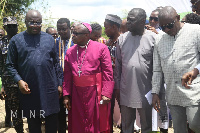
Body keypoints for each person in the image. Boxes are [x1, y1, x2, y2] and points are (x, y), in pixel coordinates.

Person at [6, 10, 63, 133]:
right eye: (32, 22)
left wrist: (59, 83)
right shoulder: (16, 40)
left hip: (50, 91)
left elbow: (56, 64)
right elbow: (10, 65)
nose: (35, 25)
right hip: (30, 92)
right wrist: (19, 81)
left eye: (38, 23)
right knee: (34, 126)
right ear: (25, 22)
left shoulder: (49, 39)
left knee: (52, 126)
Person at [152, 6, 200, 133]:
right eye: (162, 27)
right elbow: (157, 69)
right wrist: (155, 92)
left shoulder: (196, 31)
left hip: (193, 92)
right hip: (173, 94)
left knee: (195, 124)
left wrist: (195, 71)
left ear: (177, 18)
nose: (166, 29)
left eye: (169, 25)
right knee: (179, 130)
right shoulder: (159, 40)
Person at [63, 22, 114, 133]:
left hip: (95, 92)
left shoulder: (101, 48)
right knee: (78, 124)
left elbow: (108, 72)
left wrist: (107, 93)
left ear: (86, 35)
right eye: (73, 33)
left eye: (76, 33)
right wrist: (66, 95)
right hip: (76, 93)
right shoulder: (70, 51)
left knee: (97, 124)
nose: (73, 36)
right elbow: (67, 75)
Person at [114, 8, 154, 133]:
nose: (127, 23)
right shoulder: (122, 39)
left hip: (147, 90)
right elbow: (118, 65)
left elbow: (158, 68)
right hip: (126, 90)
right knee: (126, 125)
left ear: (142, 22)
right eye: (128, 19)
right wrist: (117, 87)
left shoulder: (153, 38)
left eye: (132, 20)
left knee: (147, 125)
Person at [0, 16, 24, 133]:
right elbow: (1, 65)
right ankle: (19, 130)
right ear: (4, 27)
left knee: (30, 107)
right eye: (9, 26)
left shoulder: (23, 39)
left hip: (25, 80)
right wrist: (2, 86)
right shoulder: (1, 43)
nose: (12, 28)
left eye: (14, 26)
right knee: (14, 110)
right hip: (9, 83)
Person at [55, 17, 74, 133]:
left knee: (73, 110)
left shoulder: (76, 41)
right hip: (59, 82)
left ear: (69, 28)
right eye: (59, 29)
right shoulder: (55, 42)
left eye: (64, 29)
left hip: (73, 82)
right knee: (60, 112)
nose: (61, 32)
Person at [104, 14, 122, 132]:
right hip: (109, 83)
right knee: (107, 112)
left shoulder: (123, 41)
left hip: (121, 83)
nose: (105, 30)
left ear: (114, 27)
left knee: (124, 112)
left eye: (106, 27)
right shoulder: (108, 43)